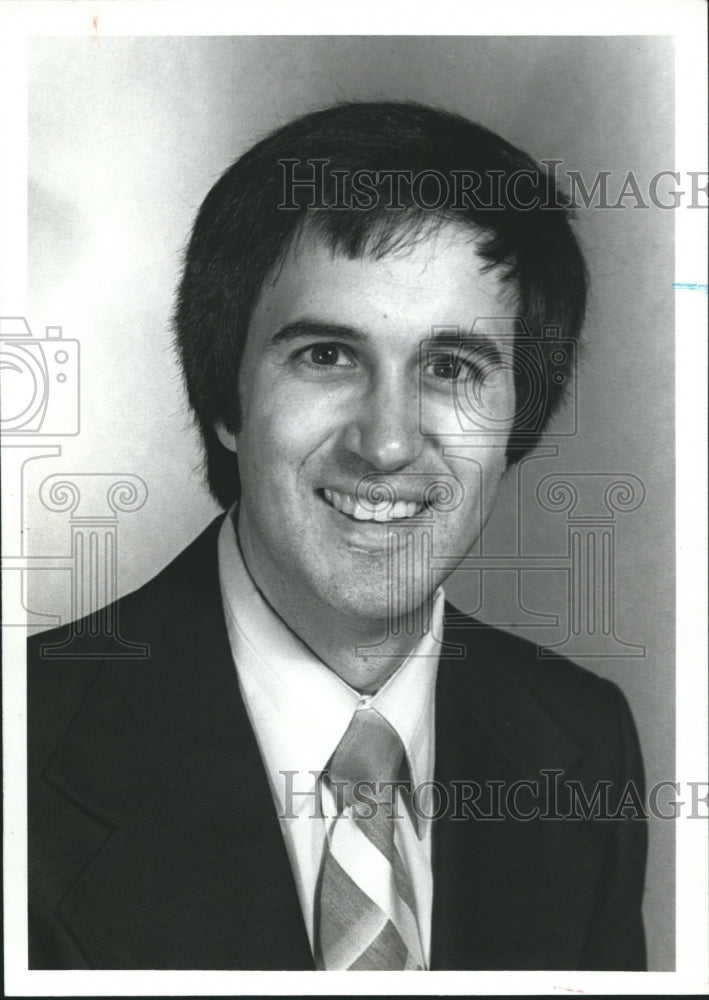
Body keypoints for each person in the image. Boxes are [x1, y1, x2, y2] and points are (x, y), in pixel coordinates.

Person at [27, 101, 647, 971]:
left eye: (448, 368)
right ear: (224, 400)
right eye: (326, 355)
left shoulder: (580, 744)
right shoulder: (27, 742)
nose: (386, 443)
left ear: (517, 420)